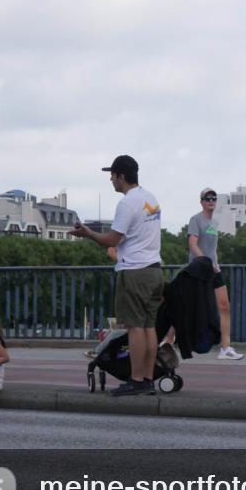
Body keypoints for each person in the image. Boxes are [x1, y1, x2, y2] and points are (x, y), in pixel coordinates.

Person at [70, 155, 164, 397]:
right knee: (149, 326)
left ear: (121, 176)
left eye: (112, 175)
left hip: (134, 271)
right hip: (155, 270)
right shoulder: (150, 199)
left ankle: (136, 379)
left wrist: (88, 233)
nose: (110, 179)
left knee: (134, 327)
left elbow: (112, 240)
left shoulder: (127, 203)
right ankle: (148, 379)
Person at [189, 188, 243, 360]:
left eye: (213, 198)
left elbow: (213, 248)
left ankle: (225, 348)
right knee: (186, 307)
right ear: (202, 201)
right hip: (199, 269)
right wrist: (205, 261)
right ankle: (167, 341)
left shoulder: (215, 223)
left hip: (214, 269)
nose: (211, 200)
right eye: (207, 198)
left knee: (224, 306)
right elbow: (193, 244)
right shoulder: (195, 220)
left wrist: (214, 264)